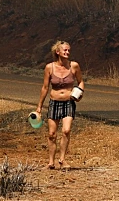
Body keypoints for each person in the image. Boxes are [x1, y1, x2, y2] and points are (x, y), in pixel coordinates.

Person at [36, 40, 85, 170]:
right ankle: (51, 163)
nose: (67, 52)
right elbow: (45, 87)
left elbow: (80, 82)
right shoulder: (49, 67)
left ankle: (62, 160)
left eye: (69, 50)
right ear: (57, 52)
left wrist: (79, 93)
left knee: (66, 130)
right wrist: (39, 106)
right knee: (52, 134)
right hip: (54, 102)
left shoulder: (74, 66)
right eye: (65, 50)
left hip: (69, 102)